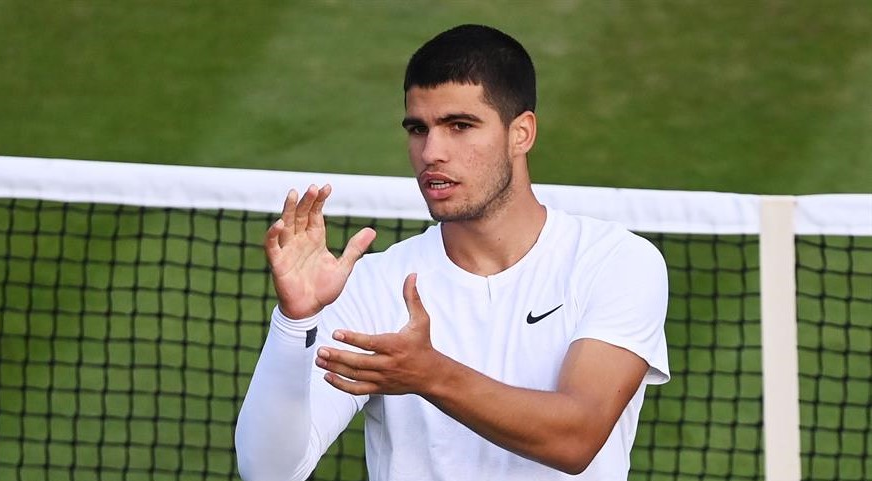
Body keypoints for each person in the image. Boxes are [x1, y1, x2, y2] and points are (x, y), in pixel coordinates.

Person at [235, 24, 669, 481]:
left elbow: (576, 437)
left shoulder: (616, 262)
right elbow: (269, 472)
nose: (431, 152)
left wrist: (429, 374)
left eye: (459, 126)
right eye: (417, 129)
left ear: (521, 133)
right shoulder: (372, 284)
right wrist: (295, 322)